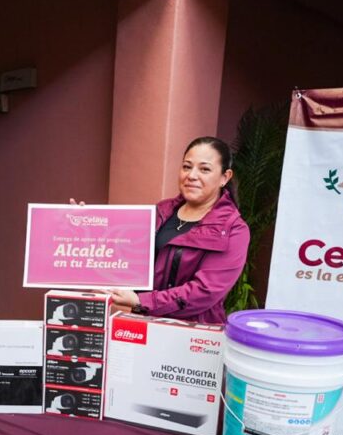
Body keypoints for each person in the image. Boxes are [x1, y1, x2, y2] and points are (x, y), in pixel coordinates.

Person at [94, 137, 249, 324]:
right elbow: (121, 252)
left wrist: (141, 302)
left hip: (192, 333)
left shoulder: (233, 230)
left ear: (225, 177)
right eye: (186, 167)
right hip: (140, 325)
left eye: (204, 169)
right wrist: (82, 223)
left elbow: (205, 292)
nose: (191, 175)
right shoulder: (162, 211)